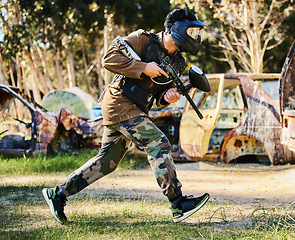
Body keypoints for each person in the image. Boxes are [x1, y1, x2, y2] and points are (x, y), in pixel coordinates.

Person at [42, 8, 209, 224]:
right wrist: (143, 67)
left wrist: (167, 97)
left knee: (107, 162)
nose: (195, 37)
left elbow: (158, 93)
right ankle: (178, 204)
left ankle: (57, 194)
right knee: (158, 142)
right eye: (192, 31)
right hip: (118, 103)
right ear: (176, 29)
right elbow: (109, 59)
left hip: (136, 108)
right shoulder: (143, 39)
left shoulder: (179, 63)